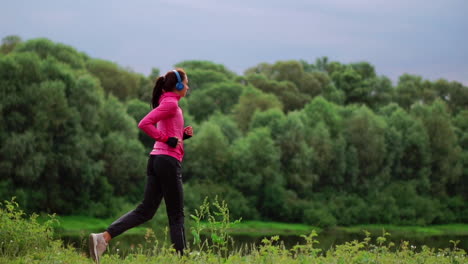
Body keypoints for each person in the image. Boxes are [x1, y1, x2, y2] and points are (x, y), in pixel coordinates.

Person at [89, 69, 192, 263]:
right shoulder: (170, 103)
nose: (187, 87)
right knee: (176, 215)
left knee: (145, 211)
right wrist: (167, 139)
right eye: (186, 83)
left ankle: (103, 239)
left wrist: (181, 136)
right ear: (178, 86)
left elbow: (168, 133)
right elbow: (144, 123)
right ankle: (183, 259)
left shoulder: (168, 103)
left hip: (157, 160)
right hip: (167, 162)